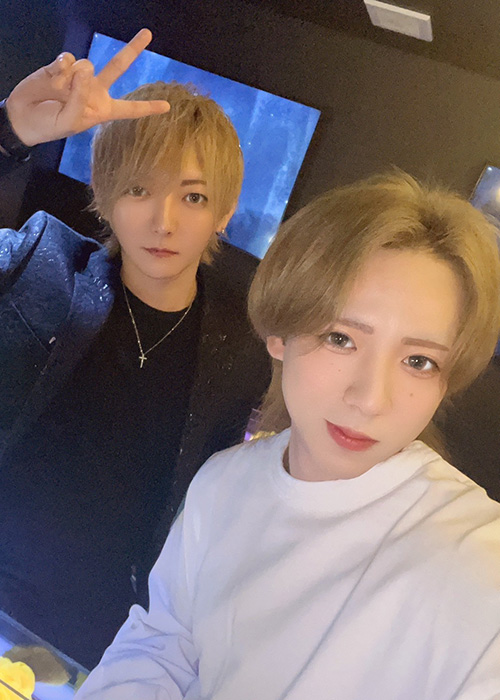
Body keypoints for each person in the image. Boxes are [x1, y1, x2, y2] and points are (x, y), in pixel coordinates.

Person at [76, 172, 500, 699]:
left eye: (418, 361)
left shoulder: (477, 563)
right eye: (340, 338)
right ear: (279, 334)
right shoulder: (224, 485)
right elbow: (165, 643)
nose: (371, 399)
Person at [0, 29, 270, 668]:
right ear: (103, 191)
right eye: (139, 189)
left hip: (104, 636)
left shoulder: (243, 349)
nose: (163, 222)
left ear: (225, 211)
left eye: (193, 196)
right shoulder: (39, 263)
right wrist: (10, 130)